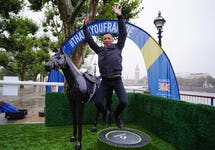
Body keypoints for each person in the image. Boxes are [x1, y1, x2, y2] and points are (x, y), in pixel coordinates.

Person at [83, 6, 127, 128]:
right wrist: (85, 28)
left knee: (123, 102)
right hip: (105, 81)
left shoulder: (118, 47)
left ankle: (117, 116)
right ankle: (106, 113)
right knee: (97, 102)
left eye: (108, 38)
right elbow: (90, 41)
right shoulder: (100, 50)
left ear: (112, 40)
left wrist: (119, 16)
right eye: (104, 38)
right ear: (103, 41)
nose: (106, 40)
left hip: (117, 80)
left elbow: (123, 33)